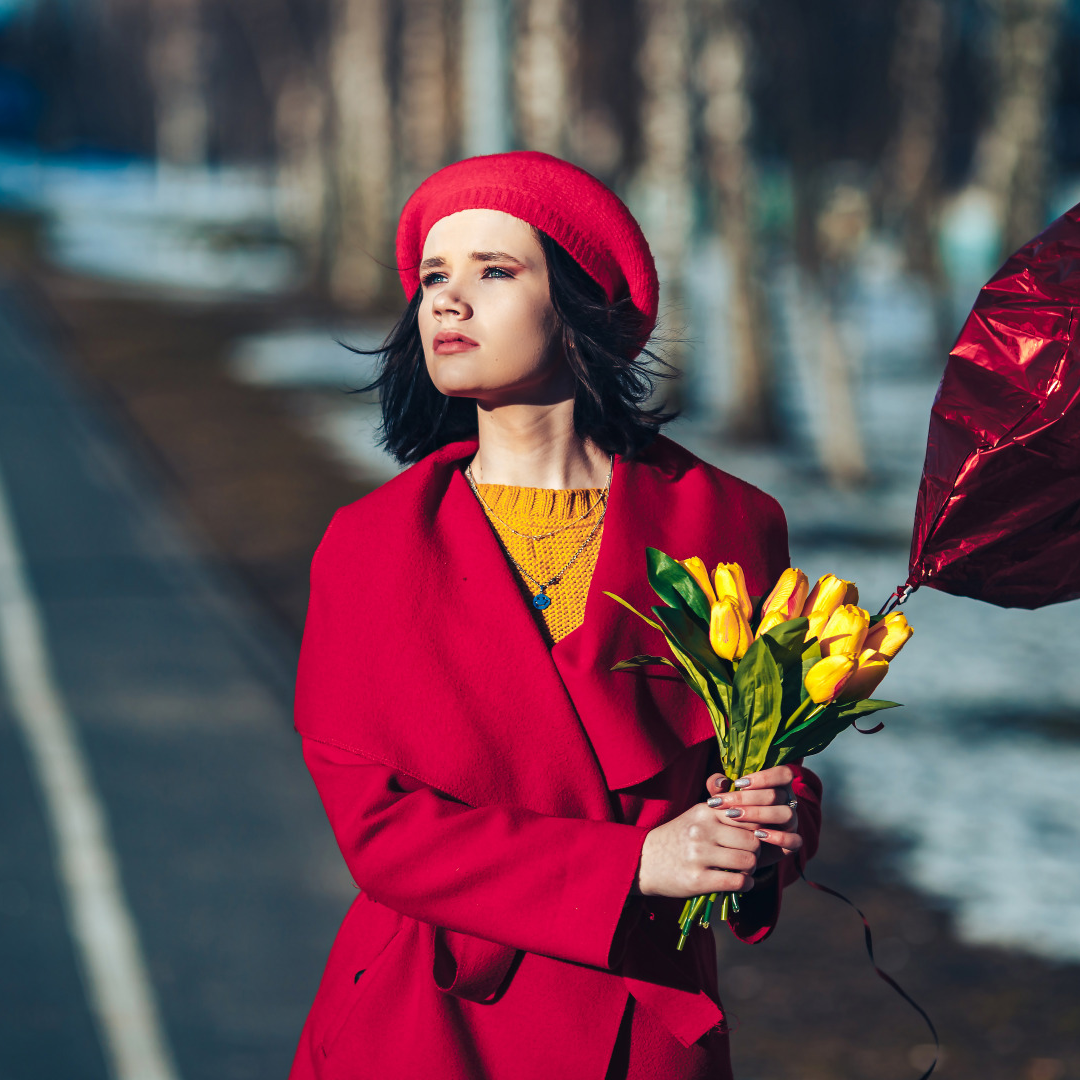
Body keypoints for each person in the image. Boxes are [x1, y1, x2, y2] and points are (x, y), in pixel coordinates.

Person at [291, 151, 823, 1080]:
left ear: (581, 310)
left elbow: (764, 754)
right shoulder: (369, 545)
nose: (447, 304)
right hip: (429, 1024)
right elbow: (380, 831)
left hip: (643, 1024)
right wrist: (631, 867)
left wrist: (770, 824)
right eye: (432, 278)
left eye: (494, 271)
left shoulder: (728, 521)